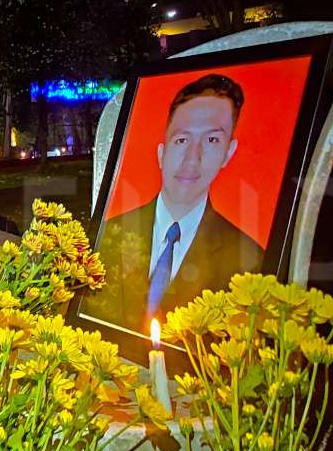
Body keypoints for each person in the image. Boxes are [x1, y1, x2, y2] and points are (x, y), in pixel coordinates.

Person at [85, 74, 263, 333]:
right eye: (182, 140)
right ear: (161, 153)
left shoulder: (248, 261)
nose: (192, 158)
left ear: (228, 152)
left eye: (212, 140)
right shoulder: (108, 235)